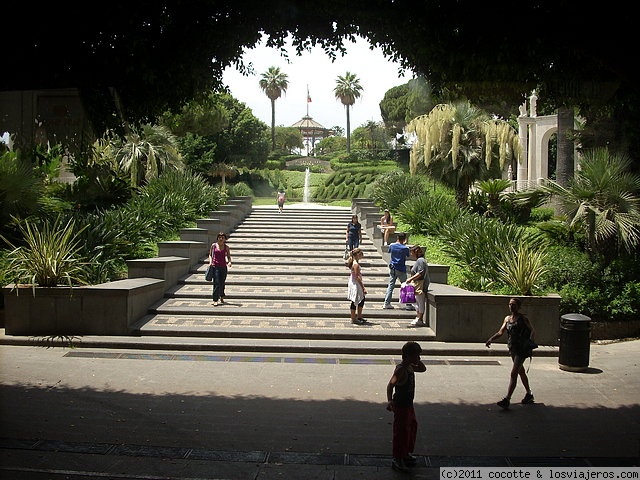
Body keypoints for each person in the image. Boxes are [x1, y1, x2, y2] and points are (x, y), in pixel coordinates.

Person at [485, 297, 536, 409]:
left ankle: (507, 399)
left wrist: (529, 342)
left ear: (518, 306)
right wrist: (491, 339)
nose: (511, 306)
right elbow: (500, 332)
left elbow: (532, 330)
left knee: (514, 373)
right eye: (510, 304)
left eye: (514, 304)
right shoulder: (507, 319)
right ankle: (529, 394)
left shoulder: (523, 318)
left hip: (521, 349)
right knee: (521, 371)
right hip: (513, 348)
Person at [386, 341, 427, 473]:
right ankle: (398, 458)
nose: (418, 359)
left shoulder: (409, 367)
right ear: (408, 356)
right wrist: (390, 400)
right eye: (416, 356)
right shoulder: (401, 370)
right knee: (401, 432)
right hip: (401, 406)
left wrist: (416, 361)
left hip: (408, 405)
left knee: (411, 427)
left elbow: (423, 369)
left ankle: (405, 453)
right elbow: (390, 385)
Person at [383, 232, 410, 309]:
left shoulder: (392, 245)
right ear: (405, 239)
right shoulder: (405, 248)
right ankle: (408, 304)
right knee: (405, 285)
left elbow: (389, 251)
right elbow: (408, 255)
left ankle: (386, 303)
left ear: (397, 238)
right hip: (401, 268)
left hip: (393, 268)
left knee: (391, 286)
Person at [406, 246, 430, 327]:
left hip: (420, 284)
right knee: (416, 301)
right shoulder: (420, 260)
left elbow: (420, 272)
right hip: (417, 283)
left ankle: (420, 318)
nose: (410, 254)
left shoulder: (420, 261)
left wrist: (410, 279)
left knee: (420, 302)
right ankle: (418, 317)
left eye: (411, 252)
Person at [208, 232, 232, 306]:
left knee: (222, 283)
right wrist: (210, 262)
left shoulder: (226, 247)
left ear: (225, 239)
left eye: (222, 237)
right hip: (215, 266)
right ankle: (215, 300)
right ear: (217, 238)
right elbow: (210, 255)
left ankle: (222, 295)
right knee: (216, 283)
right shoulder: (214, 246)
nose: (221, 239)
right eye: (219, 237)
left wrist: (229, 262)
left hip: (223, 267)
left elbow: (228, 256)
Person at [346, 247, 367, 324]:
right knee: (355, 300)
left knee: (361, 299)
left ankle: (359, 316)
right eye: (361, 254)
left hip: (354, 283)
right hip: (355, 284)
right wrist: (363, 287)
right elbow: (357, 277)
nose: (362, 256)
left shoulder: (354, 263)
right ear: (358, 254)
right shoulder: (356, 264)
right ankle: (354, 318)